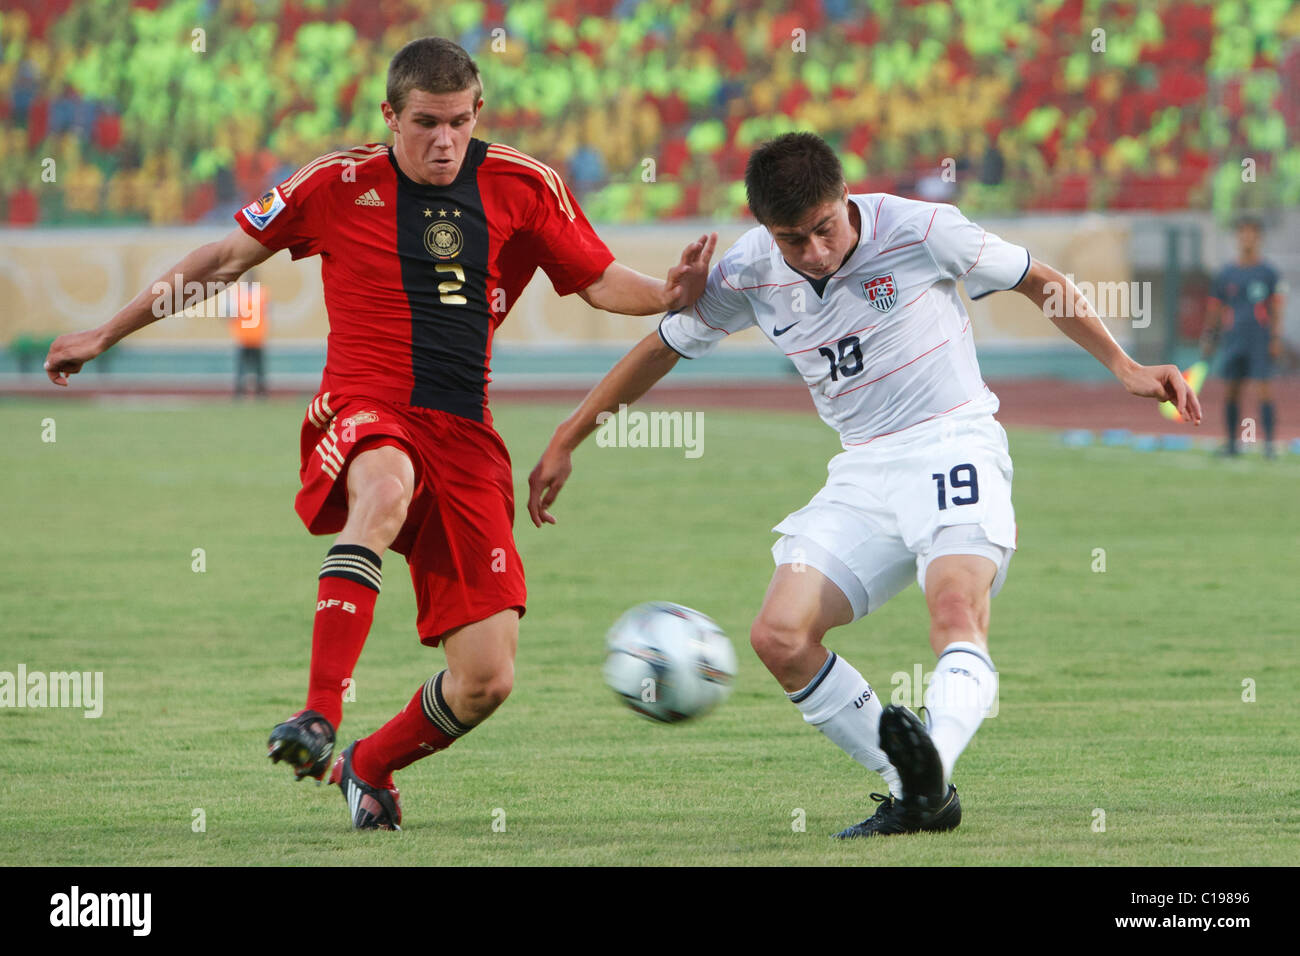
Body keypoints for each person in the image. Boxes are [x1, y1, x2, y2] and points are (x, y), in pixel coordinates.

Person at [43, 36, 716, 831]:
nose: (444, 141)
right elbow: (223, 259)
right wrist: (106, 334)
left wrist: (669, 294)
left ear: (478, 115)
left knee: (486, 680)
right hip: (364, 405)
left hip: (465, 433)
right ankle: (319, 714)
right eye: (426, 122)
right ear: (389, 116)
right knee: (386, 484)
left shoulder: (524, 185)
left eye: (460, 122)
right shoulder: (335, 183)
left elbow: (600, 280)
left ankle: (367, 764)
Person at [527, 132, 1201, 838]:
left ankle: (930, 763)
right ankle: (916, 789)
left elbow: (1041, 281)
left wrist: (1124, 368)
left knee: (953, 613)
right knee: (780, 636)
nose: (815, 251)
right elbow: (660, 348)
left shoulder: (921, 228)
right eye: (794, 240)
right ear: (765, 229)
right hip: (863, 470)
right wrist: (569, 437)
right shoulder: (749, 271)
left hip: (952, 442)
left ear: (845, 198)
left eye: (824, 228)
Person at [1201, 217, 1285, 456]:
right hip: (1233, 338)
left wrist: (1275, 338)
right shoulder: (1226, 273)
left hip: (1259, 339)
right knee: (1231, 391)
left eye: (1252, 233)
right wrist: (1209, 336)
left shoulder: (1268, 273)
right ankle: (1231, 444)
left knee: (1263, 390)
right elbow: (1215, 308)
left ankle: (1269, 445)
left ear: (1258, 238)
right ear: (1237, 238)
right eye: (1243, 233)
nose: (1247, 237)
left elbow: (1277, 307)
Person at [231, 271, 268, 398]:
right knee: (243, 368)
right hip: (243, 336)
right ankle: (240, 391)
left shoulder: (260, 293)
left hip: (256, 336)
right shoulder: (240, 294)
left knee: (258, 368)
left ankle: (260, 391)